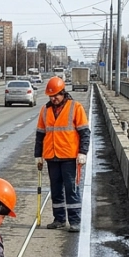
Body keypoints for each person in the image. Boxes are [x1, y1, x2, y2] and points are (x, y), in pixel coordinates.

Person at [34, 76, 90, 232]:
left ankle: (75, 221)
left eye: (56, 95)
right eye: (51, 96)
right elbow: (40, 134)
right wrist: (38, 155)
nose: (54, 98)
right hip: (52, 156)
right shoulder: (45, 110)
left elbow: (85, 132)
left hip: (69, 157)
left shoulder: (75, 107)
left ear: (63, 93)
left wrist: (83, 152)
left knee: (71, 189)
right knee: (56, 189)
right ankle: (59, 219)